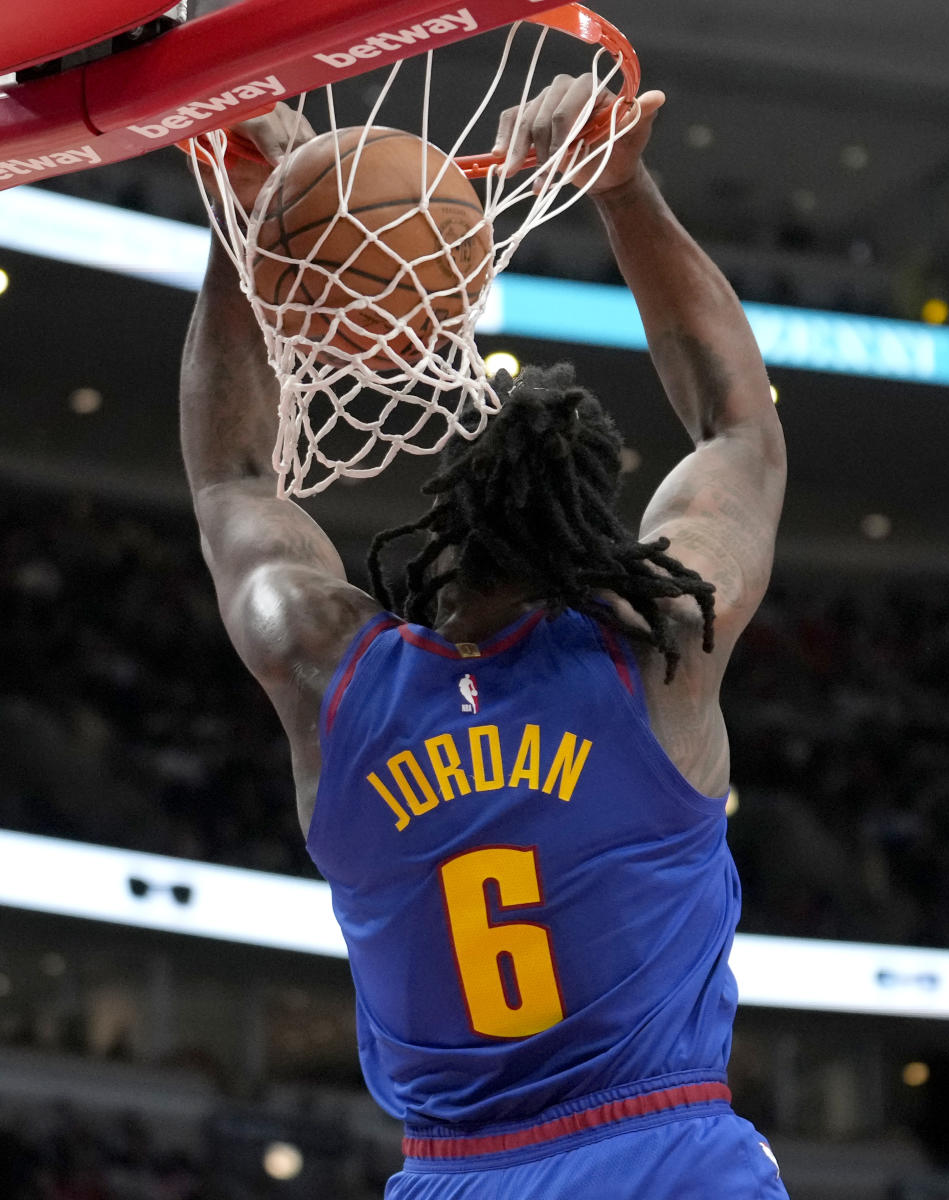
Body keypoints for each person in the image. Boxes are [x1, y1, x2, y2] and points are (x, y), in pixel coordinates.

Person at [180, 73, 788, 1199]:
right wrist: (623, 187)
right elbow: (739, 429)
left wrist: (246, 223)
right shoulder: (652, 647)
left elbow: (232, 482)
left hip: (455, 1174)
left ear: (438, 543)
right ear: (587, 559)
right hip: (664, 1158)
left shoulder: (334, 676)